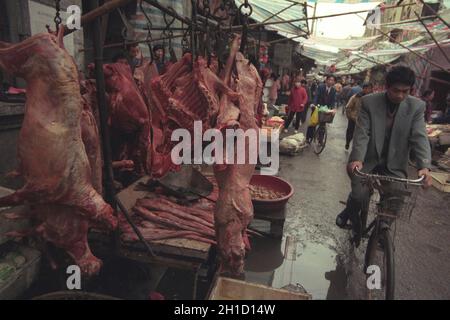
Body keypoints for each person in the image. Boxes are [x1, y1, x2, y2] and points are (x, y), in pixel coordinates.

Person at [335, 66, 432, 246]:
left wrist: (424, 167)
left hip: (395, 163)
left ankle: (383, 228)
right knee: (358, 195)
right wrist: (357, 158)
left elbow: (420, 136)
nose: (400, 95)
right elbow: (362, 133)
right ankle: (350, 212)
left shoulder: (417, 106)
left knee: (397, 197)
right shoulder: (370, 102)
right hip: (367, 158)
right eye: (396, 90)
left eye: (405, 91)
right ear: (387, 86)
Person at [306, 75, 336, 142]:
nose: (331, 81)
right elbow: (316, 95)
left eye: (332, 80)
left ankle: (320, 139)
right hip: (317, 107)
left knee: (323, 124)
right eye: (330, 80)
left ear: (334, 82)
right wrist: (313, 103)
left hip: (325, 110)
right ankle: (308, 138)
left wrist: (333, 109)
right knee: (313, 123)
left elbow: (333, 100)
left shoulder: (333, 90)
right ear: (327, 80)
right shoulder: (321, 86)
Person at [345, 83, 373, 150]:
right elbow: (348, 107)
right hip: (353, 119)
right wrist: (351, 117)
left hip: (364, 121)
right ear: (363, 89)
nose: (367, 90)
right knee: (350, 132)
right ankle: (348, 142)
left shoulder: (372, 98)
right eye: (366, 88)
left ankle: (357, 149)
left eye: (369, 88)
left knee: (360, 135)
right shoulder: (356, 97)